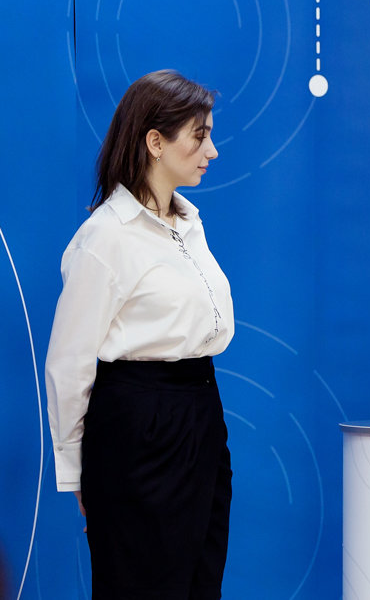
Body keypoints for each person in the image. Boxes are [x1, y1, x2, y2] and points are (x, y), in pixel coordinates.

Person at [45, 70, 235, 599]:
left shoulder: (188, 223)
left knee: (200, 581)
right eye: (200, 136)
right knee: (141, 585)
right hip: (138, 427)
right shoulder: (105, 238)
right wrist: (78, 472)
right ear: (155, 142)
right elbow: (68, 363)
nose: (212, 151)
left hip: (202, 414)